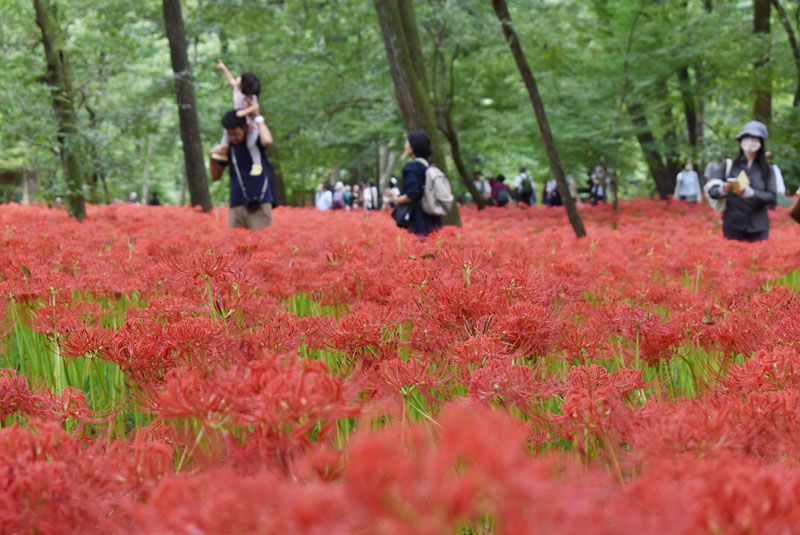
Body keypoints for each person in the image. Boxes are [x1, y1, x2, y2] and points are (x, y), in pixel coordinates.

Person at [706, 120, 776, 242]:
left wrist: (752, 193)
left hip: (758, 227)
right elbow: (712, 191)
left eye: (754, 138)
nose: (750, 141)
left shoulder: (768, 170)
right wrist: (723, 189)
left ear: (761, 142)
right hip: (733, 224)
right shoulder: (729, 165)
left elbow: (772, 198)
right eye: (746, 137)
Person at [209, 107, 275, 230]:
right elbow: (215, 177)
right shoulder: (228, 147)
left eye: (236, 134)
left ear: (245, 128)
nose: (233, 138)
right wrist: (211, 156)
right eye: (230, 135)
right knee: (234, 246)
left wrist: (258, 117)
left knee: (262, 245)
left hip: (260, 203)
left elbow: (267, 140)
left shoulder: (255, 142)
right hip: (236, 205)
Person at [386, 130, 442, 236]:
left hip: (419, 217)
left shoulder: (411, 167)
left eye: (407, 143)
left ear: (413, 146)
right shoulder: (430, 165)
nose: (405, 146)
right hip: (434, 215)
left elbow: (412, 194)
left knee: (420, 246)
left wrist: (397, 200)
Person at [216, 59, 263, 176]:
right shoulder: (237, 89)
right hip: (237, 120)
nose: (237, 79)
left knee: (251, 144)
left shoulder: (250, 97)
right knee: (226, 132)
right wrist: (223, 68)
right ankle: (223, 151)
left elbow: (256, 107)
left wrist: (244, 112)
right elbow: (230, 79)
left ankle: (257, 163)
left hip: (249, 122)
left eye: (240, 79)